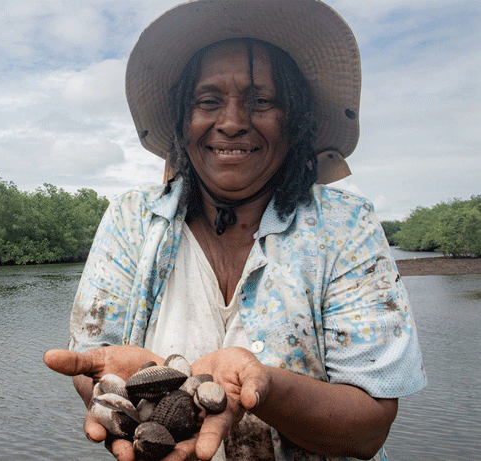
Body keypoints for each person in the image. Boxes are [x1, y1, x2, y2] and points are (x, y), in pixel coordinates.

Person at [44, 1, 427, 460]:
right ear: (183, 122)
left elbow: (368, 432)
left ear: (295, 119)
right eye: (208, 101)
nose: (231, 122)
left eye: (262, 101)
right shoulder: (130, 219)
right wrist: (129, 393)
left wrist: (264, 387)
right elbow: (94, 364)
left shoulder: (346, 226)